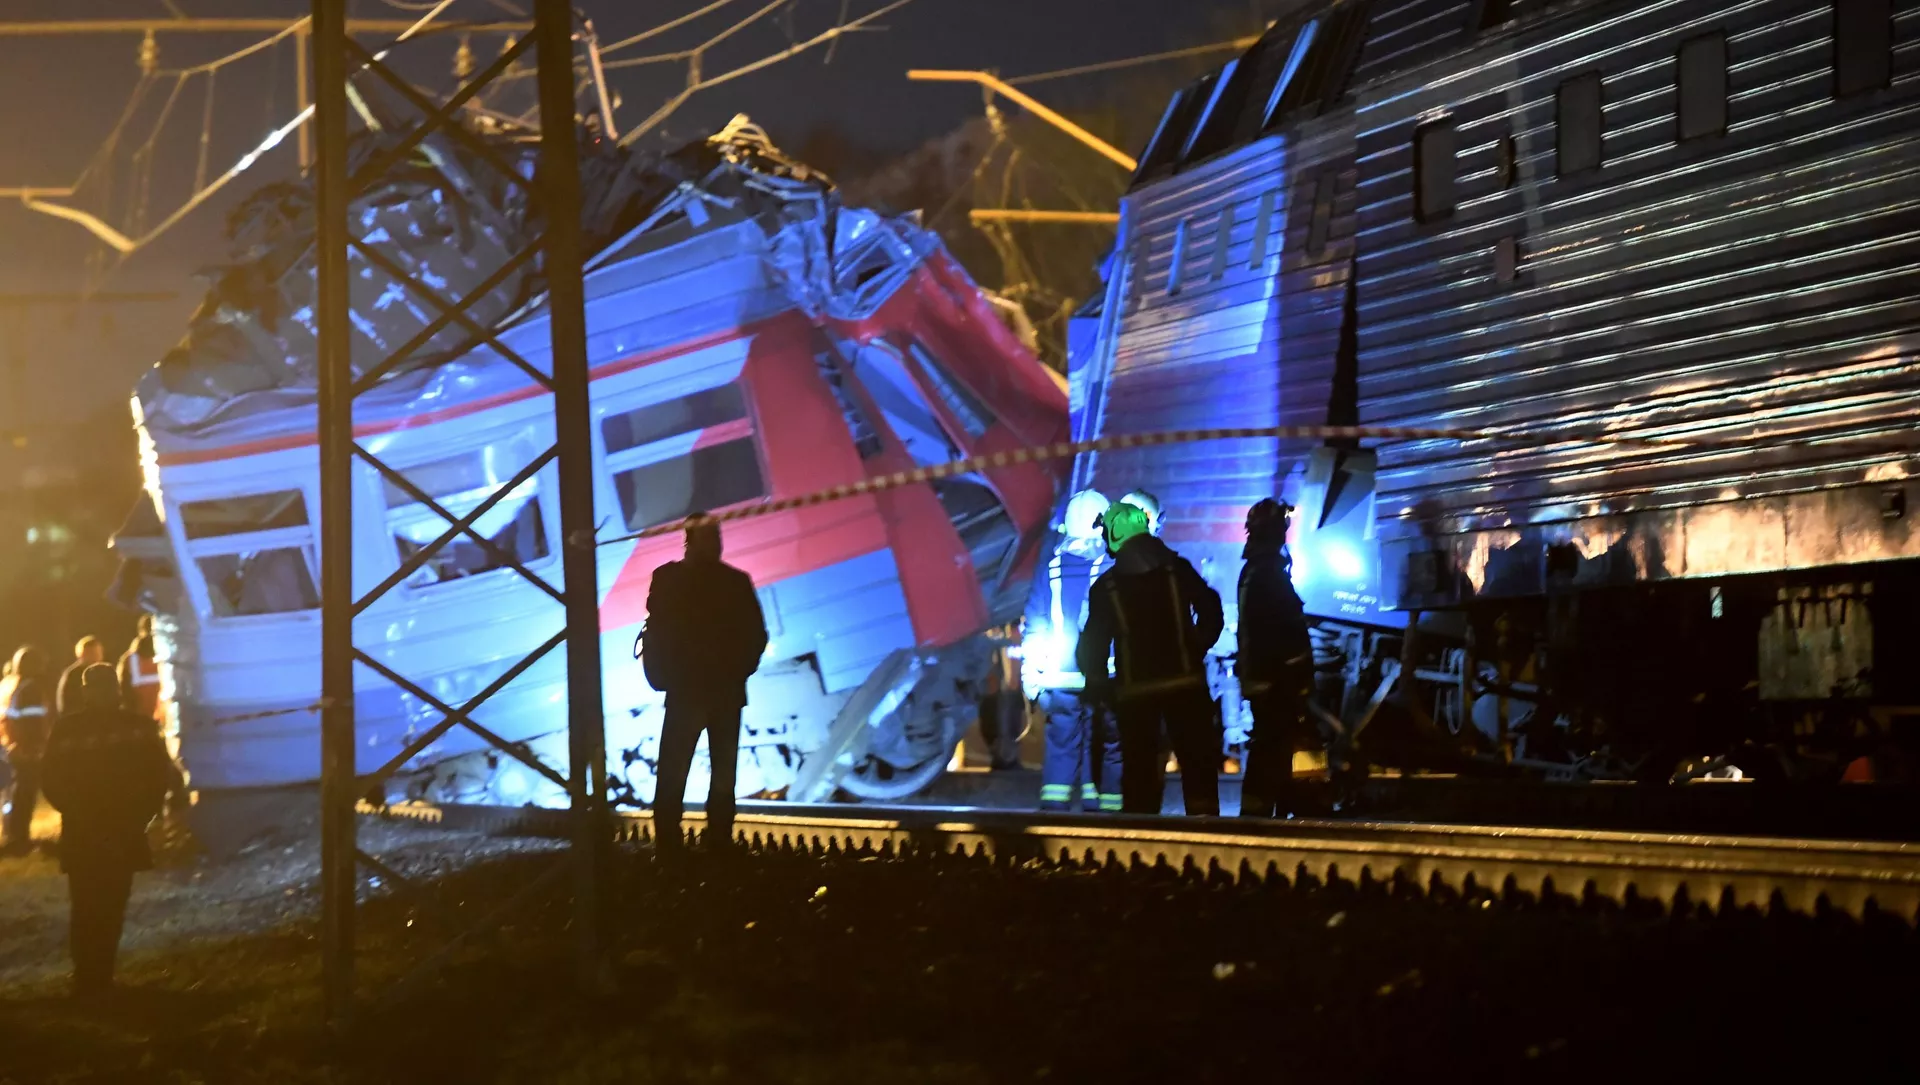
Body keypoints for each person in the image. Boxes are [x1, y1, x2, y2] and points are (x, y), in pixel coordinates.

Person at [1075, 502, 1225, 816]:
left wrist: (1100, 688)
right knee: (1198, 766)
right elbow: (1211, 608)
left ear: (1114, 534)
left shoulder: (1106, 587)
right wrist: (1196, 646)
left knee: (1140, 772)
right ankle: (1207, 830)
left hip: (1136, 695)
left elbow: (1092, 647)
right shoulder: (1177, 570)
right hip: (1187, 686)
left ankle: (1142, 834)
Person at [40, 664, 175, 997]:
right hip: (116, 829)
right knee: (104, 903)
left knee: (93, 904)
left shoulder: (69, 729)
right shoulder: (136, 727)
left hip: (89, 831)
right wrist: (141, 814)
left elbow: (51, 780)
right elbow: (158, 776)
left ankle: (92, 976)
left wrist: (76, 810)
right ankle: (94, 976)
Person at [642, 515, 768, 853]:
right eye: (713, 537)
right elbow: (757, 635)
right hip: (726, 692)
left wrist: (670, 673)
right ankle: (719, 840)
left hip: (684, 691)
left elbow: (657, 628)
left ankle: (668, 844)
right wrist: (739, 671)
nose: (717, 543)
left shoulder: (667, 579)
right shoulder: (736, 582)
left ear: (687, 540)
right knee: (724, 773)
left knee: (673, 771)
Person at [1235, 499, 1315, 819]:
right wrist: (1301, 674)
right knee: (1272, 746)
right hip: (1274, 680)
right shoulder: (1268, 574)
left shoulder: (1258, 570)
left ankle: (1274, 810)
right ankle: (1261, 815)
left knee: (1274, 746)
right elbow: (1286, 630)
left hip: (1265, 677)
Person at [0, 646, 54, 855]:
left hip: (7, 746)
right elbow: (33, 721)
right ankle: (19, 839)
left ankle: (10, 834)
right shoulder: (30, 688)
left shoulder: (7, 684)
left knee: (11, 794)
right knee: (25, 794)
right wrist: (38, 746)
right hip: (25, 749)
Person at [116, 617, 162, 724]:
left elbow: (122, 693)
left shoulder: (129, 660)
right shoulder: (170, 659)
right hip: (160, 722)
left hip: (141, 723)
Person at [57, 636, 106, 718]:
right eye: (91, 653)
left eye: (97, 653)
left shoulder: (105, 673)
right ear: (81, 655)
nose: (95, 657)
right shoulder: (72, 676)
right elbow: (67, 704)